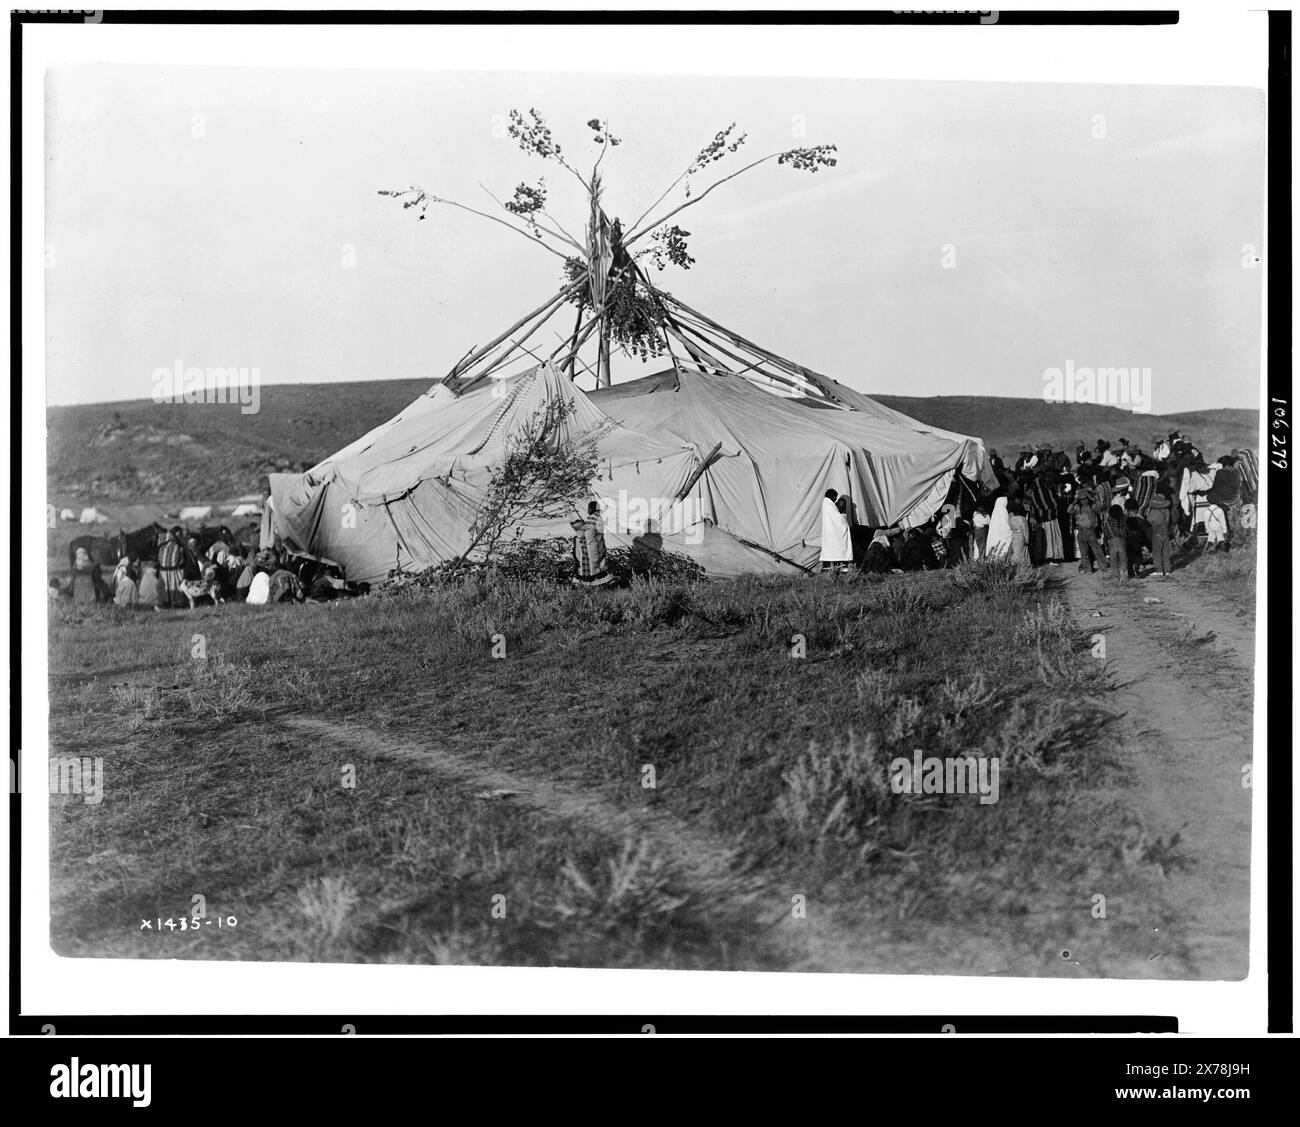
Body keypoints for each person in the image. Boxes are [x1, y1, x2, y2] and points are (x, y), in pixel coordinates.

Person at [571, 500, 614, 587]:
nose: (588, 509)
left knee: (594, 566)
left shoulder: (596, 517)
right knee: (592, 565)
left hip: (593, 547)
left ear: (591, 508)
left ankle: (595, 582)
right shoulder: (595, 517)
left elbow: (591, 530)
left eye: (589, 508)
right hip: (590, 546)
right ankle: (593, 582)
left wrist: (580, 527)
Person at [1069, 486, 1103, 574]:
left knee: (1096, 550)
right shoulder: (1077, 508)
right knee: (1084, 553)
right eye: (1082, 499)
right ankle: (1088, 569)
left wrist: (1092, 498)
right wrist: (1074, 501)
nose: (1084, 501)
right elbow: (1069, 510)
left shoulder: (1092, 506)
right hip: (1082, 532)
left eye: (1086, 499)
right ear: (1079, 500)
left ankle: (1100, 566)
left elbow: (1100, 506)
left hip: (1091, 532)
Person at [818, 489, 852, 574]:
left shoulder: (827, 505)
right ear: (833, 496)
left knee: (831, 550)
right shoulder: (829, 506)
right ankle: (839, 568)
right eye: (835, 497)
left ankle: (831, 568)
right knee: (837, 548)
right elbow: (838, 519)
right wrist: (843, 516)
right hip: (832, 532)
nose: (835, 499)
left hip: (829, 532)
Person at [1147, 488, 1175, 578]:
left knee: (1157, 551)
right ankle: (1167, 570)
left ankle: (1159, 570)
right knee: (1166, 551)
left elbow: (1149, 522)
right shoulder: (1167, 511)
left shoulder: (1154, 512)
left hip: (1157, 533)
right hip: (1166, 532)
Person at [158, 526, 187, 608]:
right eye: (179, 534)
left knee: (167, 587)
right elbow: (180, 559)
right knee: (175, 586)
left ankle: (167, 602)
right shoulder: (177, 545)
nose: (180, 536)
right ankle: (177, 603)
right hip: (174, 570)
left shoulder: (162, 544)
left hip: (164, 571)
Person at [1104, 504, 1130, 583]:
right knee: (1123, 560)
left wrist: (1106, 545)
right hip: (1122, 542)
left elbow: (1106, 534)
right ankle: (1123, 574)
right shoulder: (1124, 523)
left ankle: (1116, 576)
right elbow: (1126, 533)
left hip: (1112, 543)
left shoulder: (1108, 524)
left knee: (1113, 561)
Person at [1007, 501, 1032, 566]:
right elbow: (1025, 530)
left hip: (1014, 536)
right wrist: (1027, 540)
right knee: (1021, 552)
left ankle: (1014, 565)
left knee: (1015, 551)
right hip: (1021, 536)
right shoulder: (1022, 519)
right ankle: (1022, 566)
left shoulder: (1011, 519)